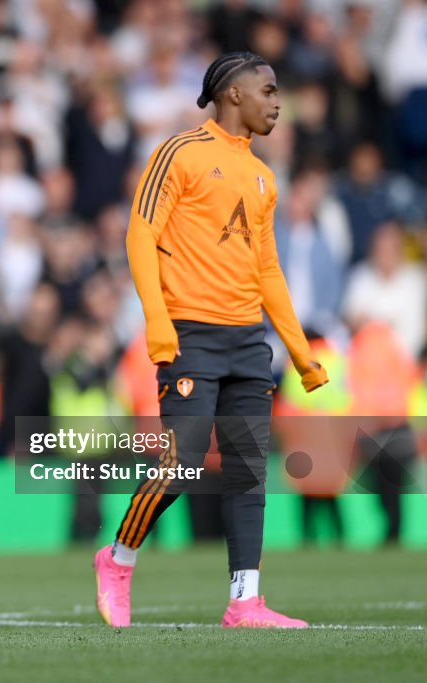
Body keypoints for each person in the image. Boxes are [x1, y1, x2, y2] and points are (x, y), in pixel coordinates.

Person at [94, 52, 329, 629]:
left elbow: (268, 270)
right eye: (269, 90)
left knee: (249, 470)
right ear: (233, 95)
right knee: (183, 462)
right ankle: (118, 559)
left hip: (248, 341)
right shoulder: (180, 153)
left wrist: (299, 354)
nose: (278, 101)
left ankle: (245, 602)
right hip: (190, 335)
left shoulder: (264, 177)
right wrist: (157, 321)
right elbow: (139, 234)